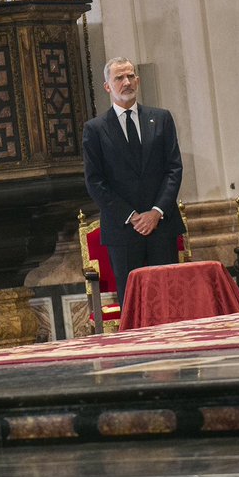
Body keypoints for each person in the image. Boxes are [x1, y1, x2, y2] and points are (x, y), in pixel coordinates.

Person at [82, 56, 185, 304]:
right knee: (135, 302)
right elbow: (95, 181)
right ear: (107, 86)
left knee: (169, 298)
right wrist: (132, 216)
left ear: (137, 80)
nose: (126, 82)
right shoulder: (95, 129)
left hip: (161, 225)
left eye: (130, 76)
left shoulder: (161, 118)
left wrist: (156, 211)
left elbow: (174, 168)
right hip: (123, 230)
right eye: (119, 77)